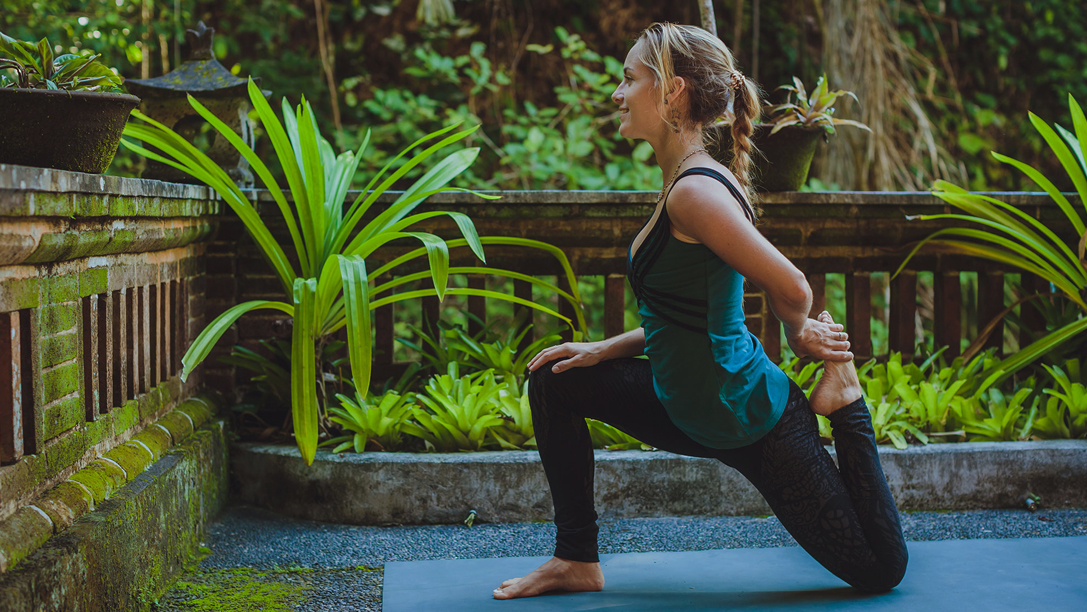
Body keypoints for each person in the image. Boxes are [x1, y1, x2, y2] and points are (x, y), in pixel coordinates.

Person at [492, 22, 908, 600]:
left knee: (879, 570)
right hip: (685, 405)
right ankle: (576, 560)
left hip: (750, 418)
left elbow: (792, 285)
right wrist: (603, 350)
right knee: (555, 380)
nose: (617, 93)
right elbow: (683, 315)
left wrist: (797, 334)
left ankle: (845, 399)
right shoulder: (678, 185)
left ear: (672, 92)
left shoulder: (695, 192)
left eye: (629, 78)